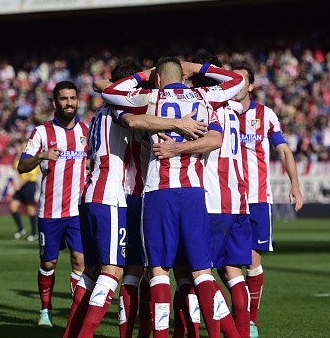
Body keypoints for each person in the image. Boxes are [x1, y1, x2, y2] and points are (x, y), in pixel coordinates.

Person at [64, 59, 208, 338]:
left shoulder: (97, 114)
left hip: (93, 194)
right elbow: (132, 119)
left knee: (98, 271)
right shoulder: (120, 107)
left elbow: (101, 86)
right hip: (115, 196)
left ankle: (74, 333)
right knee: (113, 272)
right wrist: (178, 124)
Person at [102, 57, 245, 338]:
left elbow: (111, 92)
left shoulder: (150, 97)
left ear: (157, 78)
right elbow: (238, 81)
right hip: (194, 192)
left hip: (159, 191)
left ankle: (160, 335)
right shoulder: (205, 97)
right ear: (184, 74)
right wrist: (201, 69)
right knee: (202, 272)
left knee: (158, 270)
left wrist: (143, 75)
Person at [153, 51, 251, 338]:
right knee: (231, 273)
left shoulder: (202, 105)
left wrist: (192, 69)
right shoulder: (235, 108)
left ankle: (191, 332)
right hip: (238, 199)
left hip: (208, 199)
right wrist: (205, 68)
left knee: (189, 274)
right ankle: (243, 332)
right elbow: (237, 83)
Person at [231, 62, 303, 338]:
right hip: (226, 199)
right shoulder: (220, 113)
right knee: (226, 264)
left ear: (250, 86)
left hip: (258, 199)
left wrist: (295, 184)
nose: (235, 85)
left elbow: (284, 151)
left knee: (251, 261)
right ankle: (236, 314)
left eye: (241, 81)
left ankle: (249, 321)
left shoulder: (265, 115)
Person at [17, 81, 87, 328]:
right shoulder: (41, 133)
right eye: (64, 98)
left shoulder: (86, 131)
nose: (69, 102)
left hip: (78, 212)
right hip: (50, 211)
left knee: (80, 260)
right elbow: (21, 166)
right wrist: (40, 156)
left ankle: (76, 314)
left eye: (73, 98)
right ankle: (45, 311)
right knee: (49, 263)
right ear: (55, 103)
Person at [9, 149, 40, 242]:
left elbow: (30, 175)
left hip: (29, 185)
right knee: (13, 206)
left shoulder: (33, 159)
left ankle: (34, 233)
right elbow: (14, 166)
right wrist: (18, 154)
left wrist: (20, 185)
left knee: (30, 208)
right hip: (21, 186)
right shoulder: (22, 158)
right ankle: (21, 229)